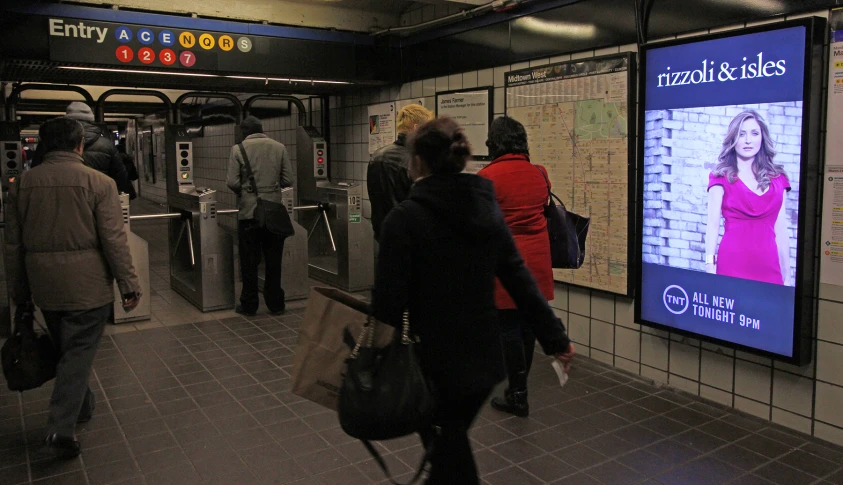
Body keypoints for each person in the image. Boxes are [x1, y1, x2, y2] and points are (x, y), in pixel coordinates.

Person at [372, 117, 575, 484]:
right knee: (450, 442)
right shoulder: (483, 207)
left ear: (418, 161)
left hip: (432, 362)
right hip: (483, 362)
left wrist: (375, 360)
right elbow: (518, 278)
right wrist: (556, 339)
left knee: (448, 445)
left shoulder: (403, 220)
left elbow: (387, 303)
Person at [5, 117, 141, 459]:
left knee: (70, 351)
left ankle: (82, 407)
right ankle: (59, 429)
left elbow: (13, 246)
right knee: (77, 354)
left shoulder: (22, 184)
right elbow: (114, 239)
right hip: (88, 286)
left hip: (45, 286)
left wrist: (20, 294)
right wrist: (128, 283)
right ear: (79, 145)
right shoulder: (100, 183)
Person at [478, 117, 554, 418]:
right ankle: (519, 390)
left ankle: (517, 393)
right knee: (528, 326)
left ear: (493, 143)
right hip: (536, 262)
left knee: (507, 327)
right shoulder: (539, 174)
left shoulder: (487, 177)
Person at [705, 110, 791, 286]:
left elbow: (781, 231)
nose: (748, 140)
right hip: (732, 263)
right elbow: (712, 226)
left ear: (762, 137)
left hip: (769, 265)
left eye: (754, 133)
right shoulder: (720, 176)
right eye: (741, 134)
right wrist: (709, 266)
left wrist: (788, 275)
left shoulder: (778, 178)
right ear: (733, 139)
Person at [226, 116, 293, 316]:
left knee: (249, 261)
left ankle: (249, 304)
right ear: (261, 129)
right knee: (273, 260)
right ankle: (276, 304)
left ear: (244, 132)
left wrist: (246, 190)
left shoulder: (238, 149)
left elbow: (232, 181)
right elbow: (288, 179)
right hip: (273, 212)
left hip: (249, 213)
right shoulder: (279, 147)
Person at [31, 103, 136, 199]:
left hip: (55, 199)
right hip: (97, 199)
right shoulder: (106, 145)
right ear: (91, 120)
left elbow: (36, 171)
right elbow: (121, 178)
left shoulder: (49, 142)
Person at [366, 104, 434, 242]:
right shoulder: (416, 162)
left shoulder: (376, 156)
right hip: (410, 238)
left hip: (383, 234)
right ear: (416, 128)